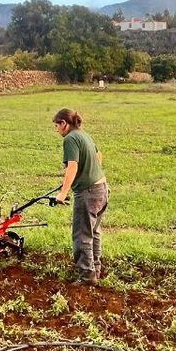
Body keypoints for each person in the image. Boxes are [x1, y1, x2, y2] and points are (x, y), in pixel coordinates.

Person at [53, 108, 109, 285]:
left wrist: (63, 193)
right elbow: (98, 156)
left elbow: (72, 166)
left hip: (88, 193)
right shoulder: (84, 134)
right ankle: (95, 268)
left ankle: (86, 276)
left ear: (64, 123)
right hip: (102, 187)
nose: (56, 130)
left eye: (57, 125)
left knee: (82, 235)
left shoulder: (70, 138)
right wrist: (89, 171)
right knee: (94, 232)